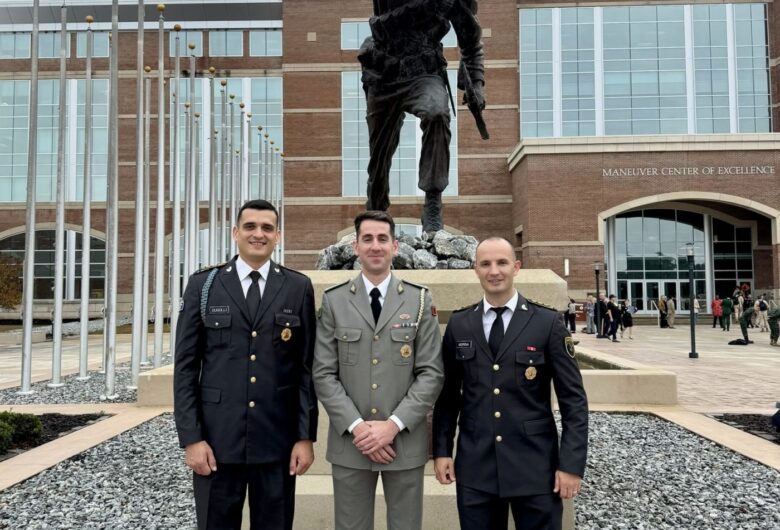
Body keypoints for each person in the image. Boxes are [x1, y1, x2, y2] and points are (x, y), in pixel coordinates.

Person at [174, 199, 318, 530]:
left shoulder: (297, 287)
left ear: (278, 236)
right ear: (235, 232)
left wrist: (304, 437)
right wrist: (192, 439)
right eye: (250, 226)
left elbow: (305, 370)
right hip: (217, 443)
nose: (258, 234)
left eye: (267, 228)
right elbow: (185, 369)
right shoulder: (204, 285)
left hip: (277, 442)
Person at [432, 237, 588, 530]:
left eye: (502, 263)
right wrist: (441, 451)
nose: (494, 271)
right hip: (476, 467)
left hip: (535, 467)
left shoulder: (547, 323)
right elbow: (448, 396)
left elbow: (573, 401)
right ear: (475, 270)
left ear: (516, 267)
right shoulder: (460, 324)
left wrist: (571, 465)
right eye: (485, 264)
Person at [313, 211, 444, 530]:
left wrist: (392, 426)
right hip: (351, 444)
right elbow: (324, 374)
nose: (375, 246)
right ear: (355, 247)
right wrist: (358, 428)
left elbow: (431, 373)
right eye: (367, 239)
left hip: (403, 442)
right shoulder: (334, 301)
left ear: (395, 246)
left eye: (383, 239)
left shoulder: (419, 300)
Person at [358, 0, 485, 232]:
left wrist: (475, 84)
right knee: (379, 154)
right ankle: (376, 209)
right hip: (383, 74)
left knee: (437, 113)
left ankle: (433, 204)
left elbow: (471, 42)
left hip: (424, 72)